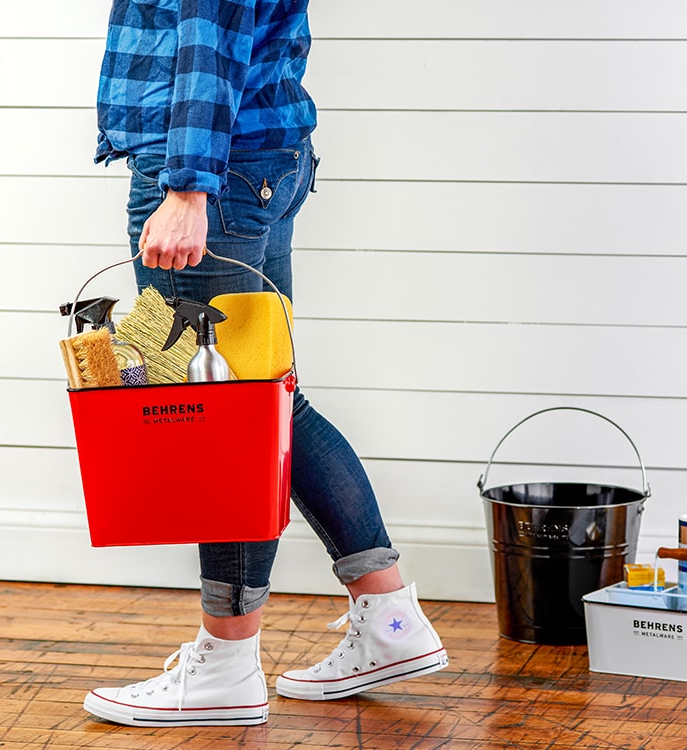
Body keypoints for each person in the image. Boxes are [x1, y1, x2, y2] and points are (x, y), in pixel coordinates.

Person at [81, 0, 448, 728]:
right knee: (267, 404)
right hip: (260, 161)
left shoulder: (194, 181)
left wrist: (187, 187)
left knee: (225, 422)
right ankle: (391, 620)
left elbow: (207, 42)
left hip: (210, 172)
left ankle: (226, 663)